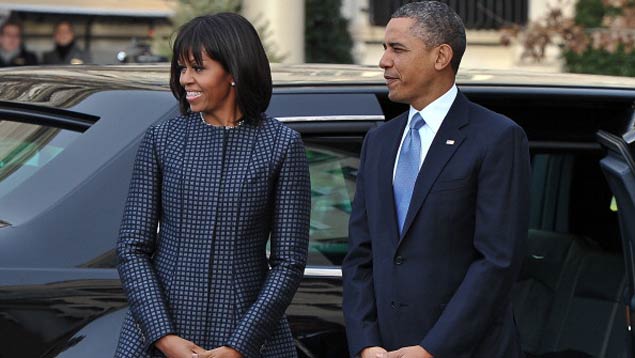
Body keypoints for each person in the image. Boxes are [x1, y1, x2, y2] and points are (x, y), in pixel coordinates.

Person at [115, 13, 310, 358]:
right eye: (181, 68)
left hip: (248, 337)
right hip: (161, 333)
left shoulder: (281, 144)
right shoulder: (163, 139)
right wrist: (163, 335)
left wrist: (239, 346)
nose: (185, 79)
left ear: (234, 71)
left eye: (198, 68)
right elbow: (132, 248)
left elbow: (288, 262)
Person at [342, 2, 530, 358]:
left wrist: (431, 349)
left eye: (397, 49)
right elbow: (360, 256)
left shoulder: (497, 138)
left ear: (441, 56)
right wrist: (367, 344)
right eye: (383, 48)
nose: (383, 61)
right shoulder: (379, 142)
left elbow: (497, 261)